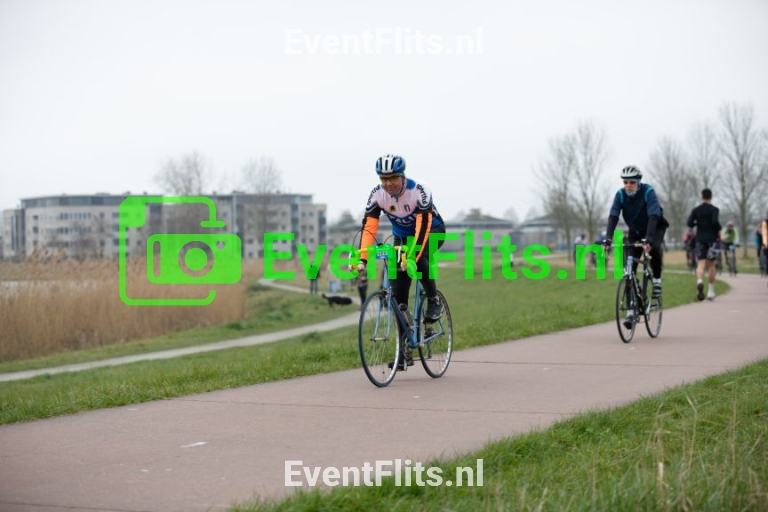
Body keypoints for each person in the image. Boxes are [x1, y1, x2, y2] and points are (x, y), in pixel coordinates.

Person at [355, 154, 446, 370]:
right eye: (383, 179)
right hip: (402, 237)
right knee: (398, 296)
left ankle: (434, 299)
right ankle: (404, 349)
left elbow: (422, 228)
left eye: (393, 178)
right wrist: (363, 258)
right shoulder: (377, 195)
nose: (388, 184)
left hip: (431, 231)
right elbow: (369, 227)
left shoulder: (419, 190)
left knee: (418, 257)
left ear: (402, 176)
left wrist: (412, 255)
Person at [603, 165, 669, 329]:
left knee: (654, 248)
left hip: (655, 227)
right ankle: (631, 311)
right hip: (635, 231)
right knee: (628, 269)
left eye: (632, 182)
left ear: (638, 182)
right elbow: (613, 216)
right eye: (625, 182)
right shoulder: (620, 195)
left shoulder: (648, 192)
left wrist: (649, 240)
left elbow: (653, 215)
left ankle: (657, 280)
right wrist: (608, 239)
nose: (628, 185)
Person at [687, 188, 722, 301]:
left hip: (700, 239)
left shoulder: (696, 210)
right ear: (711, 197)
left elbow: (689, 223)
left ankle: (700, 281)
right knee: (711, 265)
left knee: (701, 263)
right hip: (712, 239)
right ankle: (711, 292)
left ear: (702, 197)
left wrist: (698, 223)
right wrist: (719, 228)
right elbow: (715, 221)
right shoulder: (714, 209)